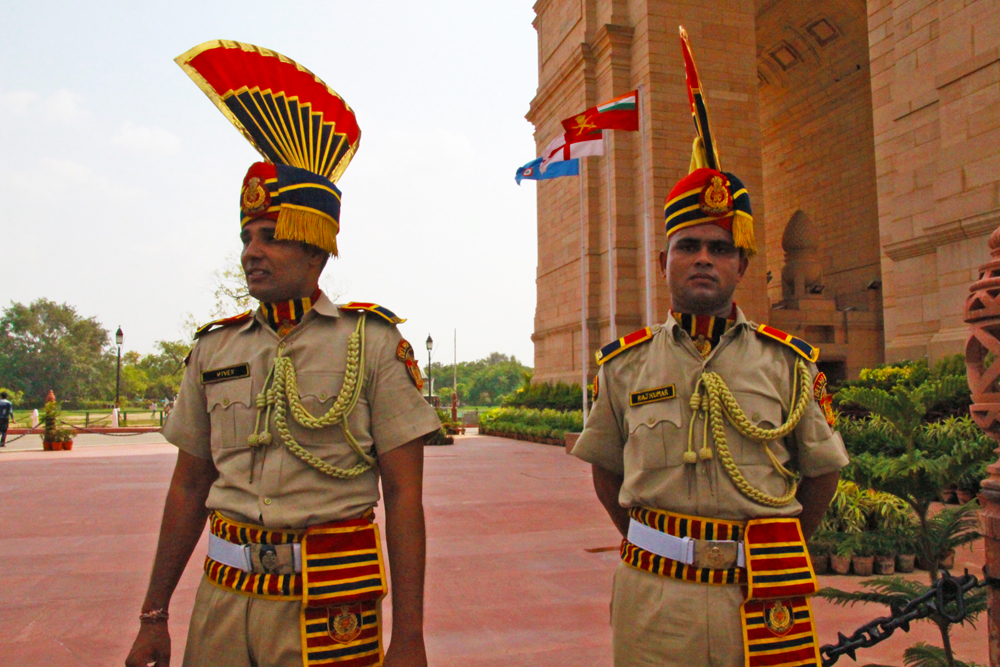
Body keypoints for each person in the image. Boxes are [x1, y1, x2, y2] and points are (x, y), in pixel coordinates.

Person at [125, 40, 440, 667]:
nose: (251, 251)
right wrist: (154, 614)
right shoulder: (213, 349)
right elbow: (189, 485)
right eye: (246, 237)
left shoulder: (372, 344)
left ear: (317, 251)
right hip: (223, 598)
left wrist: (409, 636)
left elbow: (405, 497)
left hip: (332, 601)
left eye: (271, 236)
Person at [571, 28, 848, 667]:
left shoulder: (788, 364)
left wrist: (772, 547)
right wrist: (667, 544)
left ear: (742, 265)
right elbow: (605, 470)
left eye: (720, 248)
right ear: (663, 261)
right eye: (688, 247)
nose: (703, 259)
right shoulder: (625, 365)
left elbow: (822, 471)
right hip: (656, 601)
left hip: (762, 595)